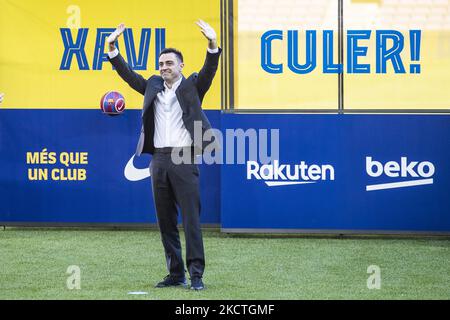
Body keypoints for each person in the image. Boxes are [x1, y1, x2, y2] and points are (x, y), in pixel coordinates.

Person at [106, 20, 221, 290]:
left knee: (191, 219)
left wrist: (212, 43)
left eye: (169, 63)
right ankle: (175, 273)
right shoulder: (152, 86)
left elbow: (209, 70)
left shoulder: (192, 86)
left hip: (183, 158)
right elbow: (127, 74)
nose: (164, 67)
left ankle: (196, 275)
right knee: (165, 220)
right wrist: (112, 47)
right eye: (161, 63)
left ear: (181, 65)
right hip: (157, 160)